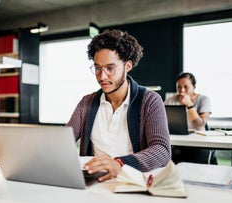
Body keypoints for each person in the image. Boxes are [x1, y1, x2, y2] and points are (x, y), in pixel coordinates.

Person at [66, 29, 171, 182]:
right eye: (97, 68)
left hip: (131, 180)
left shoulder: (150, 100)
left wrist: (120, 163)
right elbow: (64, 140)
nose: (102, 76)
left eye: (110, 68)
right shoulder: (86, 103)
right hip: (95, 181)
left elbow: (162, 150)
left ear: (127, 66)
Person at [164, 72, 217, 164]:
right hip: (178, 141)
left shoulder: (203, 100)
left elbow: (200, 124)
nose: (182, 90)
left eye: (186, 87)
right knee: (169, 154)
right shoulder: (170, 100)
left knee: (198, 154)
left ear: (194, 87)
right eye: (179, 87)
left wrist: (189, 105)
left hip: (198, 143)